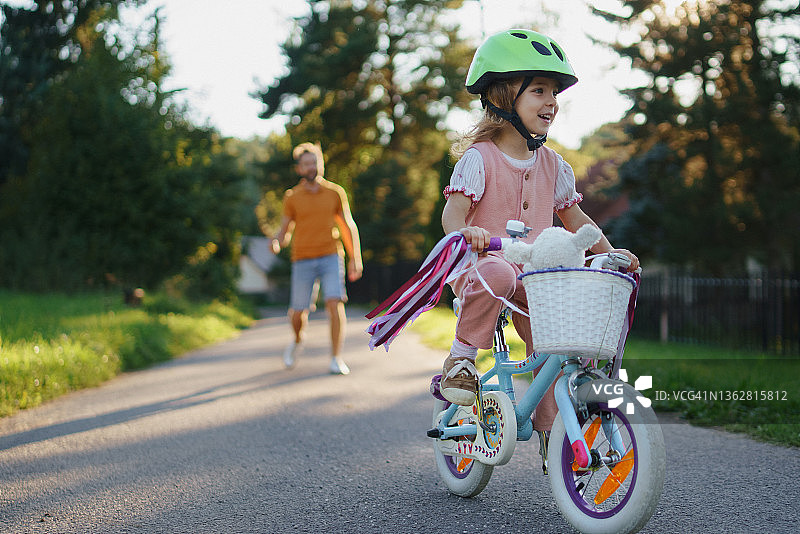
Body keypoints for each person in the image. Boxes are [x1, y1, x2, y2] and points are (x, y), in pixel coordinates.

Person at [439, 29, 640, 452]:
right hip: (482, 267)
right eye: (539, 91)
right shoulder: (481, 158)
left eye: (555, 93)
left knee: (556, 342)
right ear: (502, 98)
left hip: (534, 273)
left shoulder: (553, 164)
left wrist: (611, 254)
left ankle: (556, 433)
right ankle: (460, 361)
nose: (552, 101)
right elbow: (453, 213)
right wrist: (467, 233)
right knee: (497, 270)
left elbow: (576, 219)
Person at [270, 142, 363, 375]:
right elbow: (284, 231)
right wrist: (276, 241)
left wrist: (355, 258)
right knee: (298, 312)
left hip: (331, 255)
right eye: (306, 164)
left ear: (320, 164)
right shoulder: (292, 197)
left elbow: (348, 226)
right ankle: (298, 338)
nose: (312, 167)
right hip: (302, 258)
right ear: (299, 169)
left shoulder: (335, 192)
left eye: (315, 162)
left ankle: (336, 358)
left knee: (334, 302)